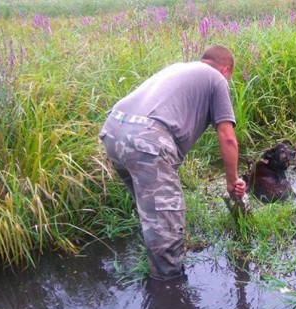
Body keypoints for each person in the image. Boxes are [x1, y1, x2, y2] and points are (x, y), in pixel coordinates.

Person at [99, 45, 246, 280]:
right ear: (226, 69)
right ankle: (169, 298)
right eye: (229, 75)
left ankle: (152, 260)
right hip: (146, 140)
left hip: (113, 130)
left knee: (151, 214)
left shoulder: (179, 68)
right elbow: (227, 137)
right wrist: (232, 180)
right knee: (167, 230)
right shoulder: (217, 79)